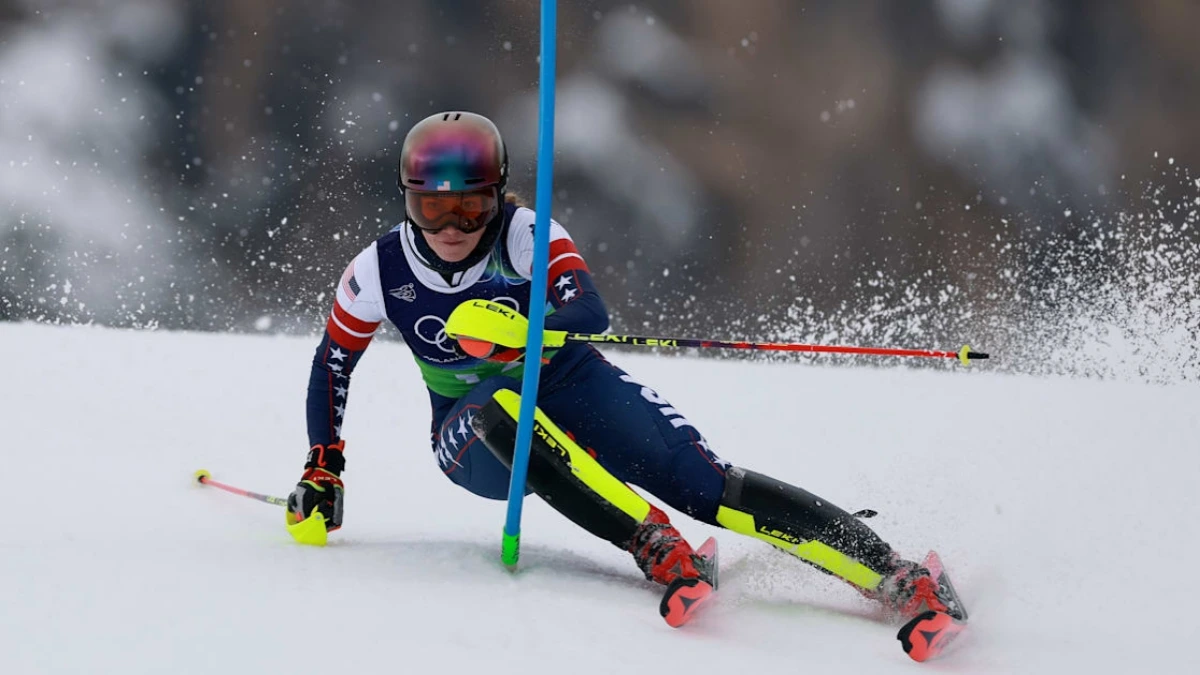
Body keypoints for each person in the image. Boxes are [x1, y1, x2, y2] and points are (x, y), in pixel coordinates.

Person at [286, 111, 958, 623]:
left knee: (701, 481)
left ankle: (894, 574)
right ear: (408, 201)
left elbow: (589, 312)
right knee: (502, 409)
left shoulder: (527, 234)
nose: (453, 225)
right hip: (471, 435)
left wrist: (525, 329)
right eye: (434, 206)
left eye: (471, 205)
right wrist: (323, 465)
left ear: (497, 196)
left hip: (568, 378)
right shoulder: (379, 269)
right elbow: (332, 364)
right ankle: (654, 543)